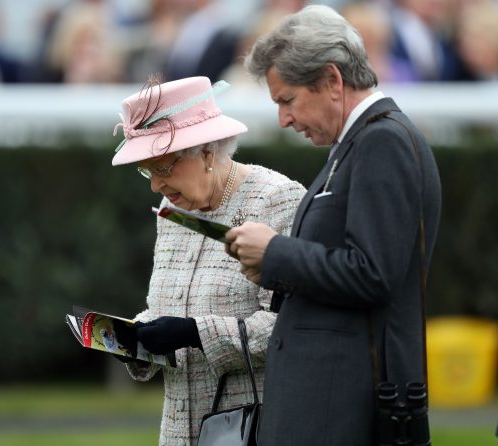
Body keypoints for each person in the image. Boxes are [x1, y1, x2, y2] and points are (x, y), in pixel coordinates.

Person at [226, 5, 442, 445]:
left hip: (341, 407)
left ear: (332, 80)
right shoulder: (362, 142)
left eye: (287, 100)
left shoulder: (382, 140)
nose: (284, 119)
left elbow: (373, 273)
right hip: (330, 403)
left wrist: (275, 254)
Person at [111, 75, 306, 445]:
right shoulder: (171, 209)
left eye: (163, 167)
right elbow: (168, 309)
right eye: (147, 170)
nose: (155, 185)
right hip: (177, 433)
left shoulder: (277, 200)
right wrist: (137, 340)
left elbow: (291, 328)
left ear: (206, 152)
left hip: (253, 429)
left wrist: (196, 333)